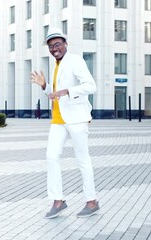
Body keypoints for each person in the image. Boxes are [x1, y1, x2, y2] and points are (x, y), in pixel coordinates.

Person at [31, 27, 99, 219]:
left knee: (82, 159)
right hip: (58, 120)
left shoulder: (75, 60)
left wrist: (67, 91)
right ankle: (58, 201)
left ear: (65, 44)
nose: (54, 49)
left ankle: (92, 201)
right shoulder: (56, 65)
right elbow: (54, 94)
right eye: (51, 46)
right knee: (51, 156)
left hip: (77, 119)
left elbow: (90, 86)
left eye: (57, 44)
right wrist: (45, 85)